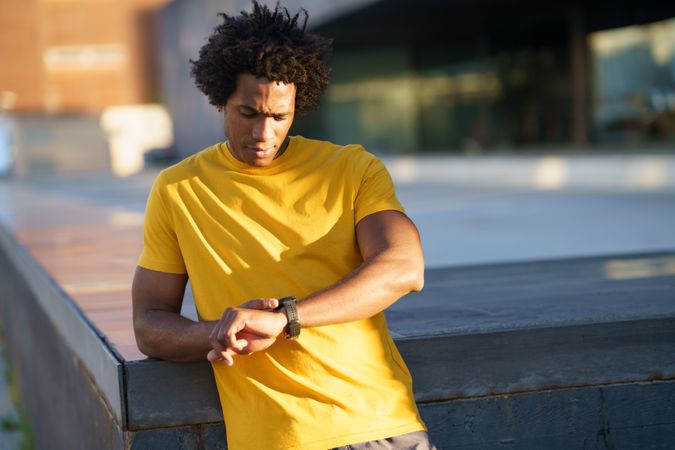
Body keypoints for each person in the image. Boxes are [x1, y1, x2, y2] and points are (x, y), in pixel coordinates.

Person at [132, 2, 435, 449]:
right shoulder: (179, 189)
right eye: (248, 114)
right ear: (221, 101)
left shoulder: (351, 168)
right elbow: (148, 324)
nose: (264, 134)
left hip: (377, 424)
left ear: (298, 105)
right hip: (272, 438)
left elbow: (403, 267)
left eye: (279, 117)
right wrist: (216, 333)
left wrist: (284, 318)